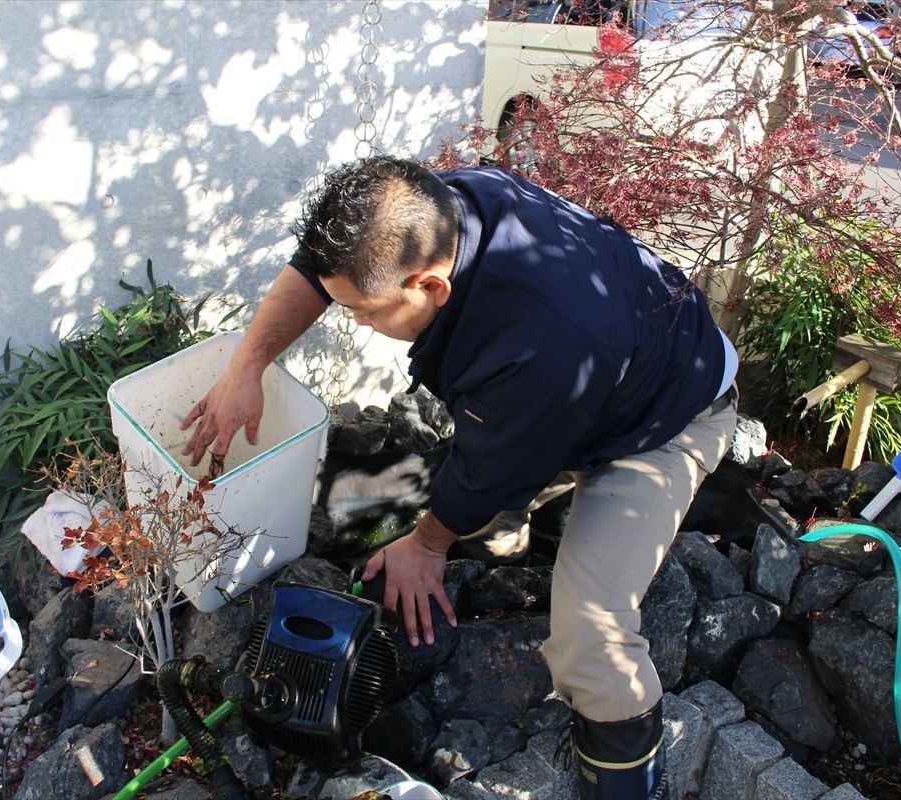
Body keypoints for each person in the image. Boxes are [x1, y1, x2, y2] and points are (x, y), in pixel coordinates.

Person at [181, 156, 738, 800]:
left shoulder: (541, 344)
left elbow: (488, 467)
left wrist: (426, 545)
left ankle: (627, 787)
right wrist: (245, 366)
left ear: (429, 289)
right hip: (591, 377)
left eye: (361, 313)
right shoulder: (429, 211)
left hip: (664, 417)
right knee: (485, 506)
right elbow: (319, 267)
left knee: (591, 632)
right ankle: (524, 522)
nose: (352, 321)